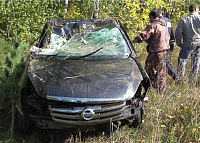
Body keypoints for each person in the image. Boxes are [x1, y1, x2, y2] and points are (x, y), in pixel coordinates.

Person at [132, 10, 170, 94]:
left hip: (155, 52)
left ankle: (150, 87)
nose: (150, 20)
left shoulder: (153, 25)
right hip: (164, 52)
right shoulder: (164, 26)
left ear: (152, 17)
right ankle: (161, 90)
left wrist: (134, 41)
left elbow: (144, 35)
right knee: (161, 71)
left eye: (150, 18)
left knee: (149, 70)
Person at [175, 4, 200, 82]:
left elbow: (178, 33)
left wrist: (179, 43)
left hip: (187, 44)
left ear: (189, 10)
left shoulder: (183, 20)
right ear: (196, 9)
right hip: (198, 43)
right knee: (195, 63)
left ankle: (180, 80)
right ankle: (193, 80)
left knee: (182, 62)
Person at [154, 8, 178, 81]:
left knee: (165, 63)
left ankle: (176, 78)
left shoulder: (156, 22)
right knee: (162, 62)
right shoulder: (168, 21)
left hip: (159, 46)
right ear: (162, 13)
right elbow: (171, 34)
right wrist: (172, 46)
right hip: (167, 45)